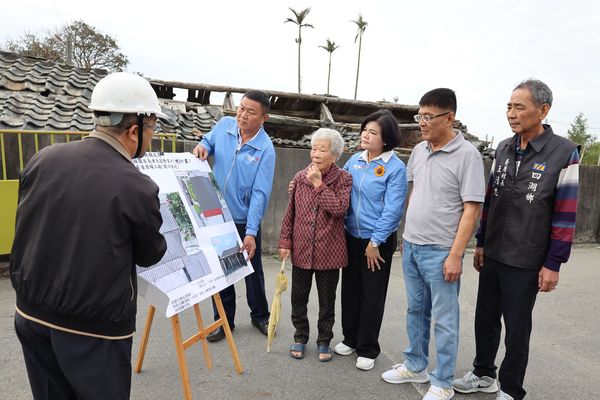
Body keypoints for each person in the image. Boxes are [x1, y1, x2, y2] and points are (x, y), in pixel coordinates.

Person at [10, 72, 167, 400]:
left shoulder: (43, 158)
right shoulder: (137, 186)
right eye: (152, 128)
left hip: (30, 314)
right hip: (95, 330)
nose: (152, 138)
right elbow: (150, 253)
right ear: (134, 130)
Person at [453, 79, 580, 400]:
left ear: (543, 110)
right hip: (494, 252)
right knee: (485, 319)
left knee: (517, 328)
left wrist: (553, 263)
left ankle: (510, 389)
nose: (511, 113)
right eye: (509, 106)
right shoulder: (503, 149)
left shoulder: (564, 153)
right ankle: (483, 373)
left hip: (527, 258)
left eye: (519, 107)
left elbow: (565, 214)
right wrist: (481, 242)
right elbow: (490, 199)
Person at [381, 88, 485, 400]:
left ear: (450, 118)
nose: (422, 123)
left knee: (445, 318)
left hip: (442, 252)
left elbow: (472, 209)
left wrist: (456, 255)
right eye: (419, 116)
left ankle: (442, 382)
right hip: (412, 246)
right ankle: (415, 365)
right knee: (416, 311)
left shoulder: (468, 156)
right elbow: (418, 194)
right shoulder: (419, 151)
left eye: (428, 117)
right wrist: (406, 233)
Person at [193, 90, 275, 341]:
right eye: (241, 108)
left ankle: (260, 315)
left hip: (242, 219)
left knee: (251, 269)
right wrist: (202, 147)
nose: (243, 115)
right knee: (221, 270)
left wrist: (251, 232)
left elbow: (260, 194)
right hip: (215, 214)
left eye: (251, 112)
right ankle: (223, 320)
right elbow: (207, 141)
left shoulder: (265, 149)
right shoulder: (224, 126)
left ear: (264, 117)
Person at [333, 110, 407, 371]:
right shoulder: (355, 159)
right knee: (351, 288)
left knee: (372, 294)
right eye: (365, 129)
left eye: (372, 132)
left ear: (386, 139)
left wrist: (375, 242)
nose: (365, 134)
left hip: (378, 241)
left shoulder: (395, 168)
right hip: (351, 235)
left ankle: (367, 347)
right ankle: (350, 338)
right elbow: (337, 183)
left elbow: (393, 209)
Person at [278, 128, 352, 362]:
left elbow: (340, 209)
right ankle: (300, 336)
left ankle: (324, 341)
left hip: (330, 252)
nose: (316, 153)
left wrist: (319, 185)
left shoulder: (344, 178)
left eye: (322, 149)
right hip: (301, 250)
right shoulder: (300, 177)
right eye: (313, 148)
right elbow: (291, 212)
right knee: (298, 296)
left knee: (326, 300)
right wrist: (285, 242)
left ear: (335, 155)